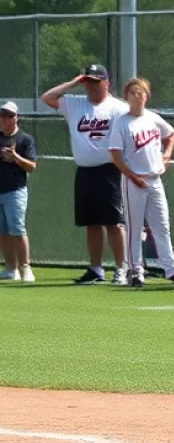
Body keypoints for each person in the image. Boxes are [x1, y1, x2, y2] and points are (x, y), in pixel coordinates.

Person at [40, 63, 129, 285]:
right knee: (91, 223)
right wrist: (75, 81)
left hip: (111, 171)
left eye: (95, 82)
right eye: (88, 82)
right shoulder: (74, 104)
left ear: (106, 83)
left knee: (113, 223)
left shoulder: (118, 108)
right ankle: (96, 269)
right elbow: (47, 97)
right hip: (85, 171)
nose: (90, 86)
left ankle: (122, 269)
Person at [108, 78, 174, 287]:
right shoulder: (122, 122)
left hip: (154, 180)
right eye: (132, 93)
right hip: (133, 179)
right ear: (126, 97)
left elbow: (171, 133)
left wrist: (166, 155)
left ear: (147, 96)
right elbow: (115, 155)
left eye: (141, 93)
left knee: (162, 225)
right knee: (134, 228)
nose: (137, 97)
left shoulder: (153, 118)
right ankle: (135, 271)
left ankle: (172, 269)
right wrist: (132, 176)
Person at [0, 101, 37, 283]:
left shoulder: (25, 140)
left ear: (16, 118)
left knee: (17, 228)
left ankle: (25, 268)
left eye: (9, 116)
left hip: (15, 191)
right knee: (2, 231)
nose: (5, 119)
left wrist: (15, 157)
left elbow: (32, 166)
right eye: (2, 116)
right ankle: (10, 268)